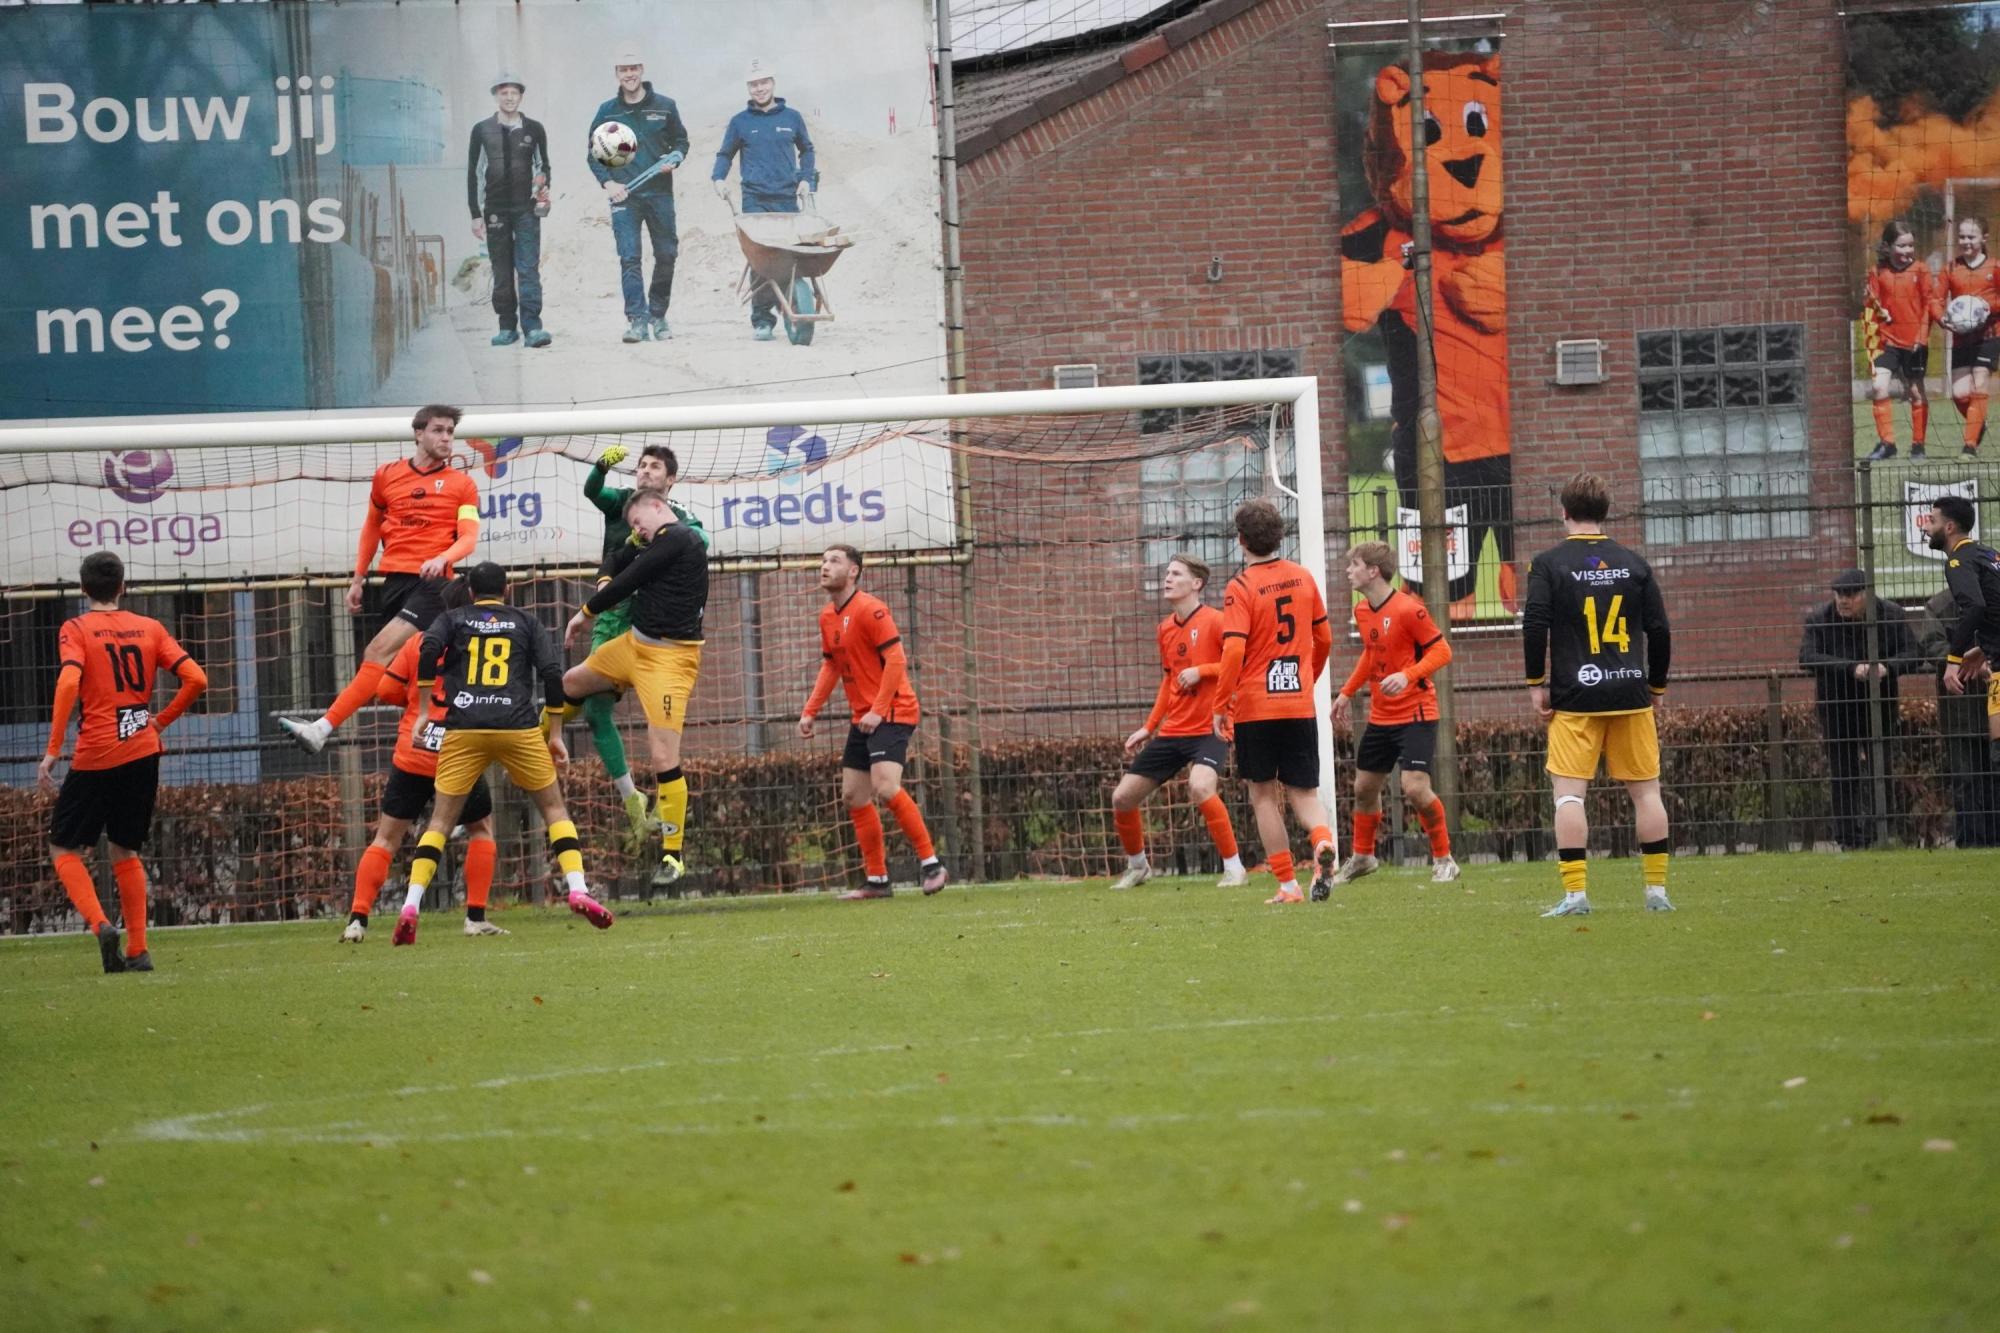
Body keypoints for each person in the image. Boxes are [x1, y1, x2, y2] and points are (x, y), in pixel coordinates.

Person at [394, 562, 612, 945]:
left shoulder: (453, 618)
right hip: (517, 727)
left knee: (440, 822)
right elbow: (551, 672)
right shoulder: (525, 622)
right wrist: (555, 734)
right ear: (506, 590)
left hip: (465, 728)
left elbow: (428, 648)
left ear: (470, 592)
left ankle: (411, 905)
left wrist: (426, 709)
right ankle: (578, 888)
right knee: (554, 809)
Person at [37, 551, 208, 974]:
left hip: (96, 752)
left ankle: (100, 925)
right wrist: (160, 722)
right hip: (142, 751)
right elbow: (197, 679)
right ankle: (138, 950)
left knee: (63, 847)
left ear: (83, 589)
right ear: (123, 587)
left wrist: (54, 748)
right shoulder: (150, 627)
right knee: (124, 848)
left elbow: (69, 681)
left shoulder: (76, 628)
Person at [281, 405, 480, 754]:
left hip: (433, 586)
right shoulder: (387, 476)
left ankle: (321, 729)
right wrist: (358, 578)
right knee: (391, 682)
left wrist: (443, 558)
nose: (446, 438)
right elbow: (372, 527)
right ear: (418, 433)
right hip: (395, 584)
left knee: (377, 651)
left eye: (450, 431)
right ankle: (444, 734)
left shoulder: (462, 485)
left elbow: (469, 538)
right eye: (438, 430)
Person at [1523, 473, 1673, 917]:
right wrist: (1656, 686)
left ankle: (1576, 897)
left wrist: (1536, 684)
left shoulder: (1547, 564)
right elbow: (1660, 630)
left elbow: (1534, 625)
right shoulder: (1634, 564)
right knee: (1647, 794)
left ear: (1564, 512)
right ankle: (1656, 893)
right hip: (1631, 692)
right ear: (1606, 512)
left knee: (1570, 796)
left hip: (1575, 696)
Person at [339, 579, 504, 943]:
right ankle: (475, 917)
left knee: (386, 838)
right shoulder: (480, 646)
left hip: (413, 752)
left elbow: (385, 689)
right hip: (458, 752)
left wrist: (416, 702)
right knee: (481, 829)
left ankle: (357, 920)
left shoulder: (418, 642)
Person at [563, 490, 708, 887]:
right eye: (632, 526)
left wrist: (585, 613)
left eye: (638, 522)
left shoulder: (681, 537)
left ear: (658, 506)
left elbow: (629, 579)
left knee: (663, 756)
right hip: (633, 646)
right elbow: (616, 561)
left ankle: (673, 856)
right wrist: (607, 573)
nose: (637, 530)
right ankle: (538, 740)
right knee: (572, 682)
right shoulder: (653, 540)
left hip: (669, 659)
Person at [798, 544, 949, 898]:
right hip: (863, 717)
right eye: (823, 560)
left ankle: (932, 864)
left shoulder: (871, 609)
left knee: (886, 786)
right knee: (853, 796)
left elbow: (896, 661)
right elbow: (831, 665)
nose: (825, 566)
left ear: (853, 571)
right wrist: (810, 710)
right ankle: (878, 880)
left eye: (834, 561)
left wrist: (878, 710)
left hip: (893, 710)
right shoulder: (827, 616)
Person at [1210, 500, 1336, 905]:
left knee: (1263, 795)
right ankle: (1322, 842)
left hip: (1256, 707)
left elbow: (1233, 651)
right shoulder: (1303, 577)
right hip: (1298, 705)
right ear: (1280, 536)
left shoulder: (1241, 587)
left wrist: (1220, 704)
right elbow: (1325, 638)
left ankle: (1287, 885)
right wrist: (1307, 677)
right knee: (1305, 793)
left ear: (1241, 540)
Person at [1107, 555, 1246, 890]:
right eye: (1166, 573)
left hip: (1210, 728)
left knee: (1200, 786)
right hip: (1174, 731)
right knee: (1122, 798)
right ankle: (1138, 867)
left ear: (1196, 583)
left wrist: (1202, 671)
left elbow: (1239, 665)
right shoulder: (1165, 629)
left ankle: (1234, 868)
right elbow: (1169, 681)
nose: (1167, 578)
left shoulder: (1217, 621)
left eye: (1176, 573)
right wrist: (1149, 726)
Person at [1325, 540, 1459, 890]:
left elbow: (1443, 651)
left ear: (1373, 571)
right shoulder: (1362, 610)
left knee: (1414, 788)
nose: (1348, 571)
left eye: (1354, 565)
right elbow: (1371, 654)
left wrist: (1408, 675)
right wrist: (1347, 692)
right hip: (1381, 716)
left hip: (1416, 711)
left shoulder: (1409, 609)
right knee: (1364, 788)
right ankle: (1363, 857)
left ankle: (1444, 859)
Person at [1798, 568, 1923, 850]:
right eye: (1839, 594)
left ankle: (1880, 832)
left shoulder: (1890, 615)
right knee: (1843, 772)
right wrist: (1850, 668)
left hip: (1878, 707)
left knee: (1881, 768)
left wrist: (1886, 667)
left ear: (1866, 594)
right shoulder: (1820, 619)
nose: (1843, 600)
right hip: (1837, 707)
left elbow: (1914, 652)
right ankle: (1848, 837)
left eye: (1851, 594)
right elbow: (1806, 656)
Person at [710, 58, 818, 342]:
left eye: (764, 82)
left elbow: (807, 150)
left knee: (788, 257)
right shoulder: (740, 122)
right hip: (754, 199)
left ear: (773, 83)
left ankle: (791, 305)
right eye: (754, 84)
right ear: (749, 88)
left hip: (786, 198)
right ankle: (762, 320)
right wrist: (718, 178)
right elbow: (725, 154)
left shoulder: (792, 118)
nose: (759, 88)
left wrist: (806, 178)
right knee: (761, 258)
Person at [588, 51, 690, 344]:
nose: (629, 74)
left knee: (667, 254)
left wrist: (676, 157)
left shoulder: (665, 106)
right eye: (623, 69)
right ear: (616, 73)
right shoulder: (607, 111)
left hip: (660, 194)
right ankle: (637, 320)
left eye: (633, 68)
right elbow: (593, 154)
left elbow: (681, 141)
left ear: (642, 69)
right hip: (625, 197)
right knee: (630, 258)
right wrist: (608, 183)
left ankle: (658, 315)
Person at [467, 73, 553, 349]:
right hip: (495, 211)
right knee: (502, 270)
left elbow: (543, 166)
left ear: (521, 96)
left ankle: (533, 328)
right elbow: (474, 173)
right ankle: (506, 327)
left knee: (528, 269)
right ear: (496, 96)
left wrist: (542, 185)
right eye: (504, 93)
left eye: (514, 92)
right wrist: (476, 214)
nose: (509, 97)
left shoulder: (534, 129)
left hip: (526, 209)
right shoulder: (481, 130)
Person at [1917, 584, 2000, 847]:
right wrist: (1967, 661)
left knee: (1995, 776)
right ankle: (1972, 842)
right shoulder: (1939, 606)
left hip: (1994, 702)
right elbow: (1931, 645)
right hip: (1960, 709)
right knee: (1966, 780)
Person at [1928, 494, 2000, 767]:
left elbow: (1974, 607)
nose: (1926, 527)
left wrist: (1953, 659)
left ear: (1949, 528)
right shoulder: (1989, 555)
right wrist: (1984, 648)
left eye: (1931, 521)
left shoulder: (1958, 560)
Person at [1864, 219, 1944, 461]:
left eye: (1911, 245)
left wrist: (1921, 336)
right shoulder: (1877, 272)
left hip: (1915, 343)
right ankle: (1887, 443)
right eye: (1901, 246)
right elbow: (1871, 306)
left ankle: (1918, 445)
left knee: (1915, 392)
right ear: (1888, 247)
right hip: (1887, 342)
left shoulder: (1921, 270)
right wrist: (1874, 307)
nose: (1907, 250)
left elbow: (1929, 305)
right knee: (1878, 387)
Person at [1944, 217, 2000, 458]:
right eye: (1962, 236)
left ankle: (1969, 446)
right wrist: (1941, 318)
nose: (1965, 241)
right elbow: (1935, 299)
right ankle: (1978, 423)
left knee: (1980, 382)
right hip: (1961, 339)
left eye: (1971, 237)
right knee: (1959, 394)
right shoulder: (1950, 268)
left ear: (1984, 238)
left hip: (1990, 335)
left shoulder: (1995, 267)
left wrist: (1985, 306)